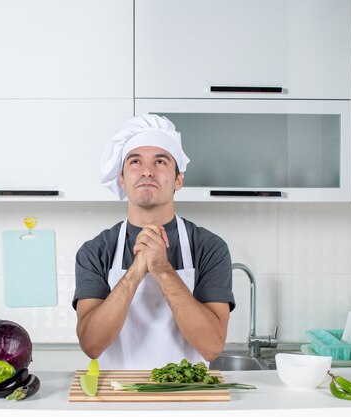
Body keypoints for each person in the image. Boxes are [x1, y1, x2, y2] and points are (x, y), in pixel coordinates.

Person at [73, 114, 235, 370]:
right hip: (118, 401)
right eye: (135, 161)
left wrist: (161, 269)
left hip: (188, 400)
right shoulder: (95, 251)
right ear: (122, 179)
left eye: (160, 161)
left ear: (178, 179)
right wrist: (136, 271)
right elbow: (92, 345)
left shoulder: (209, 247)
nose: (147, 171)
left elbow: (212, 347)